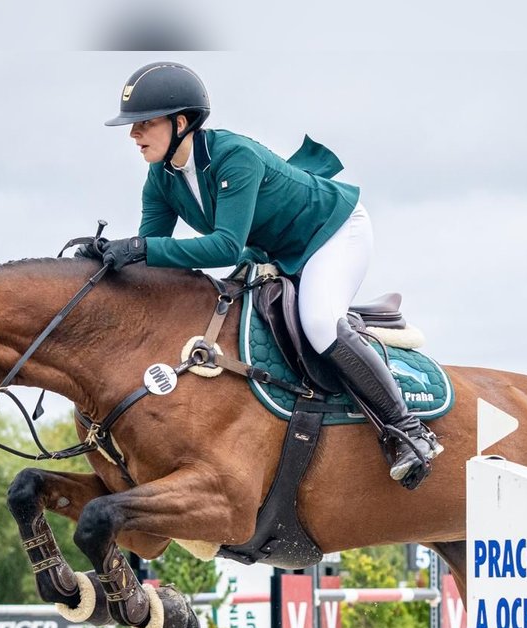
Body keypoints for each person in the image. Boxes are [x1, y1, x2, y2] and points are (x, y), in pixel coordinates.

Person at [82, 61, 443, 489]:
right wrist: (108, 260)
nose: (133, 134)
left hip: (332, 233)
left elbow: (223, 247)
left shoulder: (235, 157)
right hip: (274, 248)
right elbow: (152, 255)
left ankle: (409, 433)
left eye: (144, 123)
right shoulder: (160, 177)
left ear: (181, 123)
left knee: (321, 322)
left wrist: (140, 248)